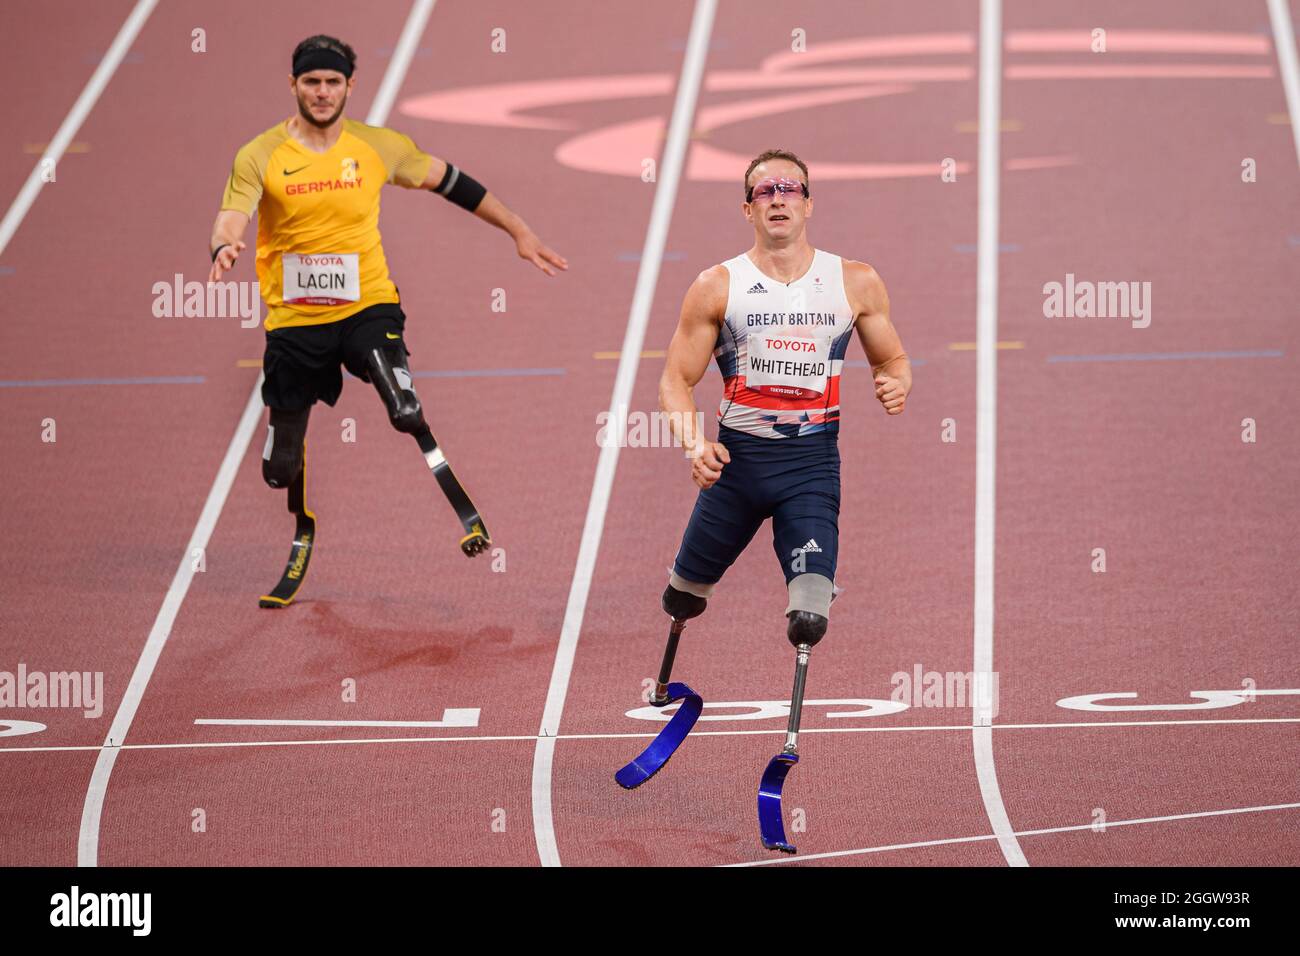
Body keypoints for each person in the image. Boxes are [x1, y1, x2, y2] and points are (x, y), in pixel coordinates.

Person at [207, 34, 567, 606]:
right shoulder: (260, 155)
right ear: (294, 86)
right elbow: (233, 215)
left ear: (349, 86)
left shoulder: (378, 146)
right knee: (278, 469)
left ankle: (453, 491)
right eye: (310, 82)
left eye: (331, 82)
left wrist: (518, 230)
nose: (321, 92)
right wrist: (224, 246)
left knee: (403, 406)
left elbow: (452, 182)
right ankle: (303, 522)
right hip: (294, 323)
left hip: (365, 304)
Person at [657, 147, 910, 647]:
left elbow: (892, 360)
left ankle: (794, 722)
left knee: (809, 616)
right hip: (737, 465)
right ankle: (667, 672)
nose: (778, 199)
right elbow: (674, 381)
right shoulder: (716, 286)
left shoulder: (854, 281)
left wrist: (897, 383)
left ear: (808, 204)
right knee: (683, 597)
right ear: (747, 209)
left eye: (790, 189)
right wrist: (695, 445)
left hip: (810, 466)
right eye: (764, 191)